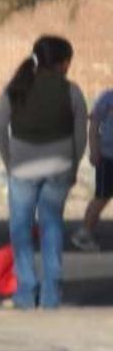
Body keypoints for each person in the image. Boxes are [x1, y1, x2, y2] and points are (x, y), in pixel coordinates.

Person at [0, 35, 87, 310]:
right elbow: (80, 136)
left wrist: (10, 162)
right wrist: (73, 167)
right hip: (59, 167)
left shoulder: (16, 87)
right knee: (52, 224)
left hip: (22, 167)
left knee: (20, 227)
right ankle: (51, 293)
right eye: (68, 61)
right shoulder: (72, 91)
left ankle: (26, 290)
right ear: (62, 63)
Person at [71, 87, 113, 252]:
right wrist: (94, 150)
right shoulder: (107, 98)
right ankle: (83, 234)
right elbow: (94, 124)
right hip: (108, 157)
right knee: (102, 197)